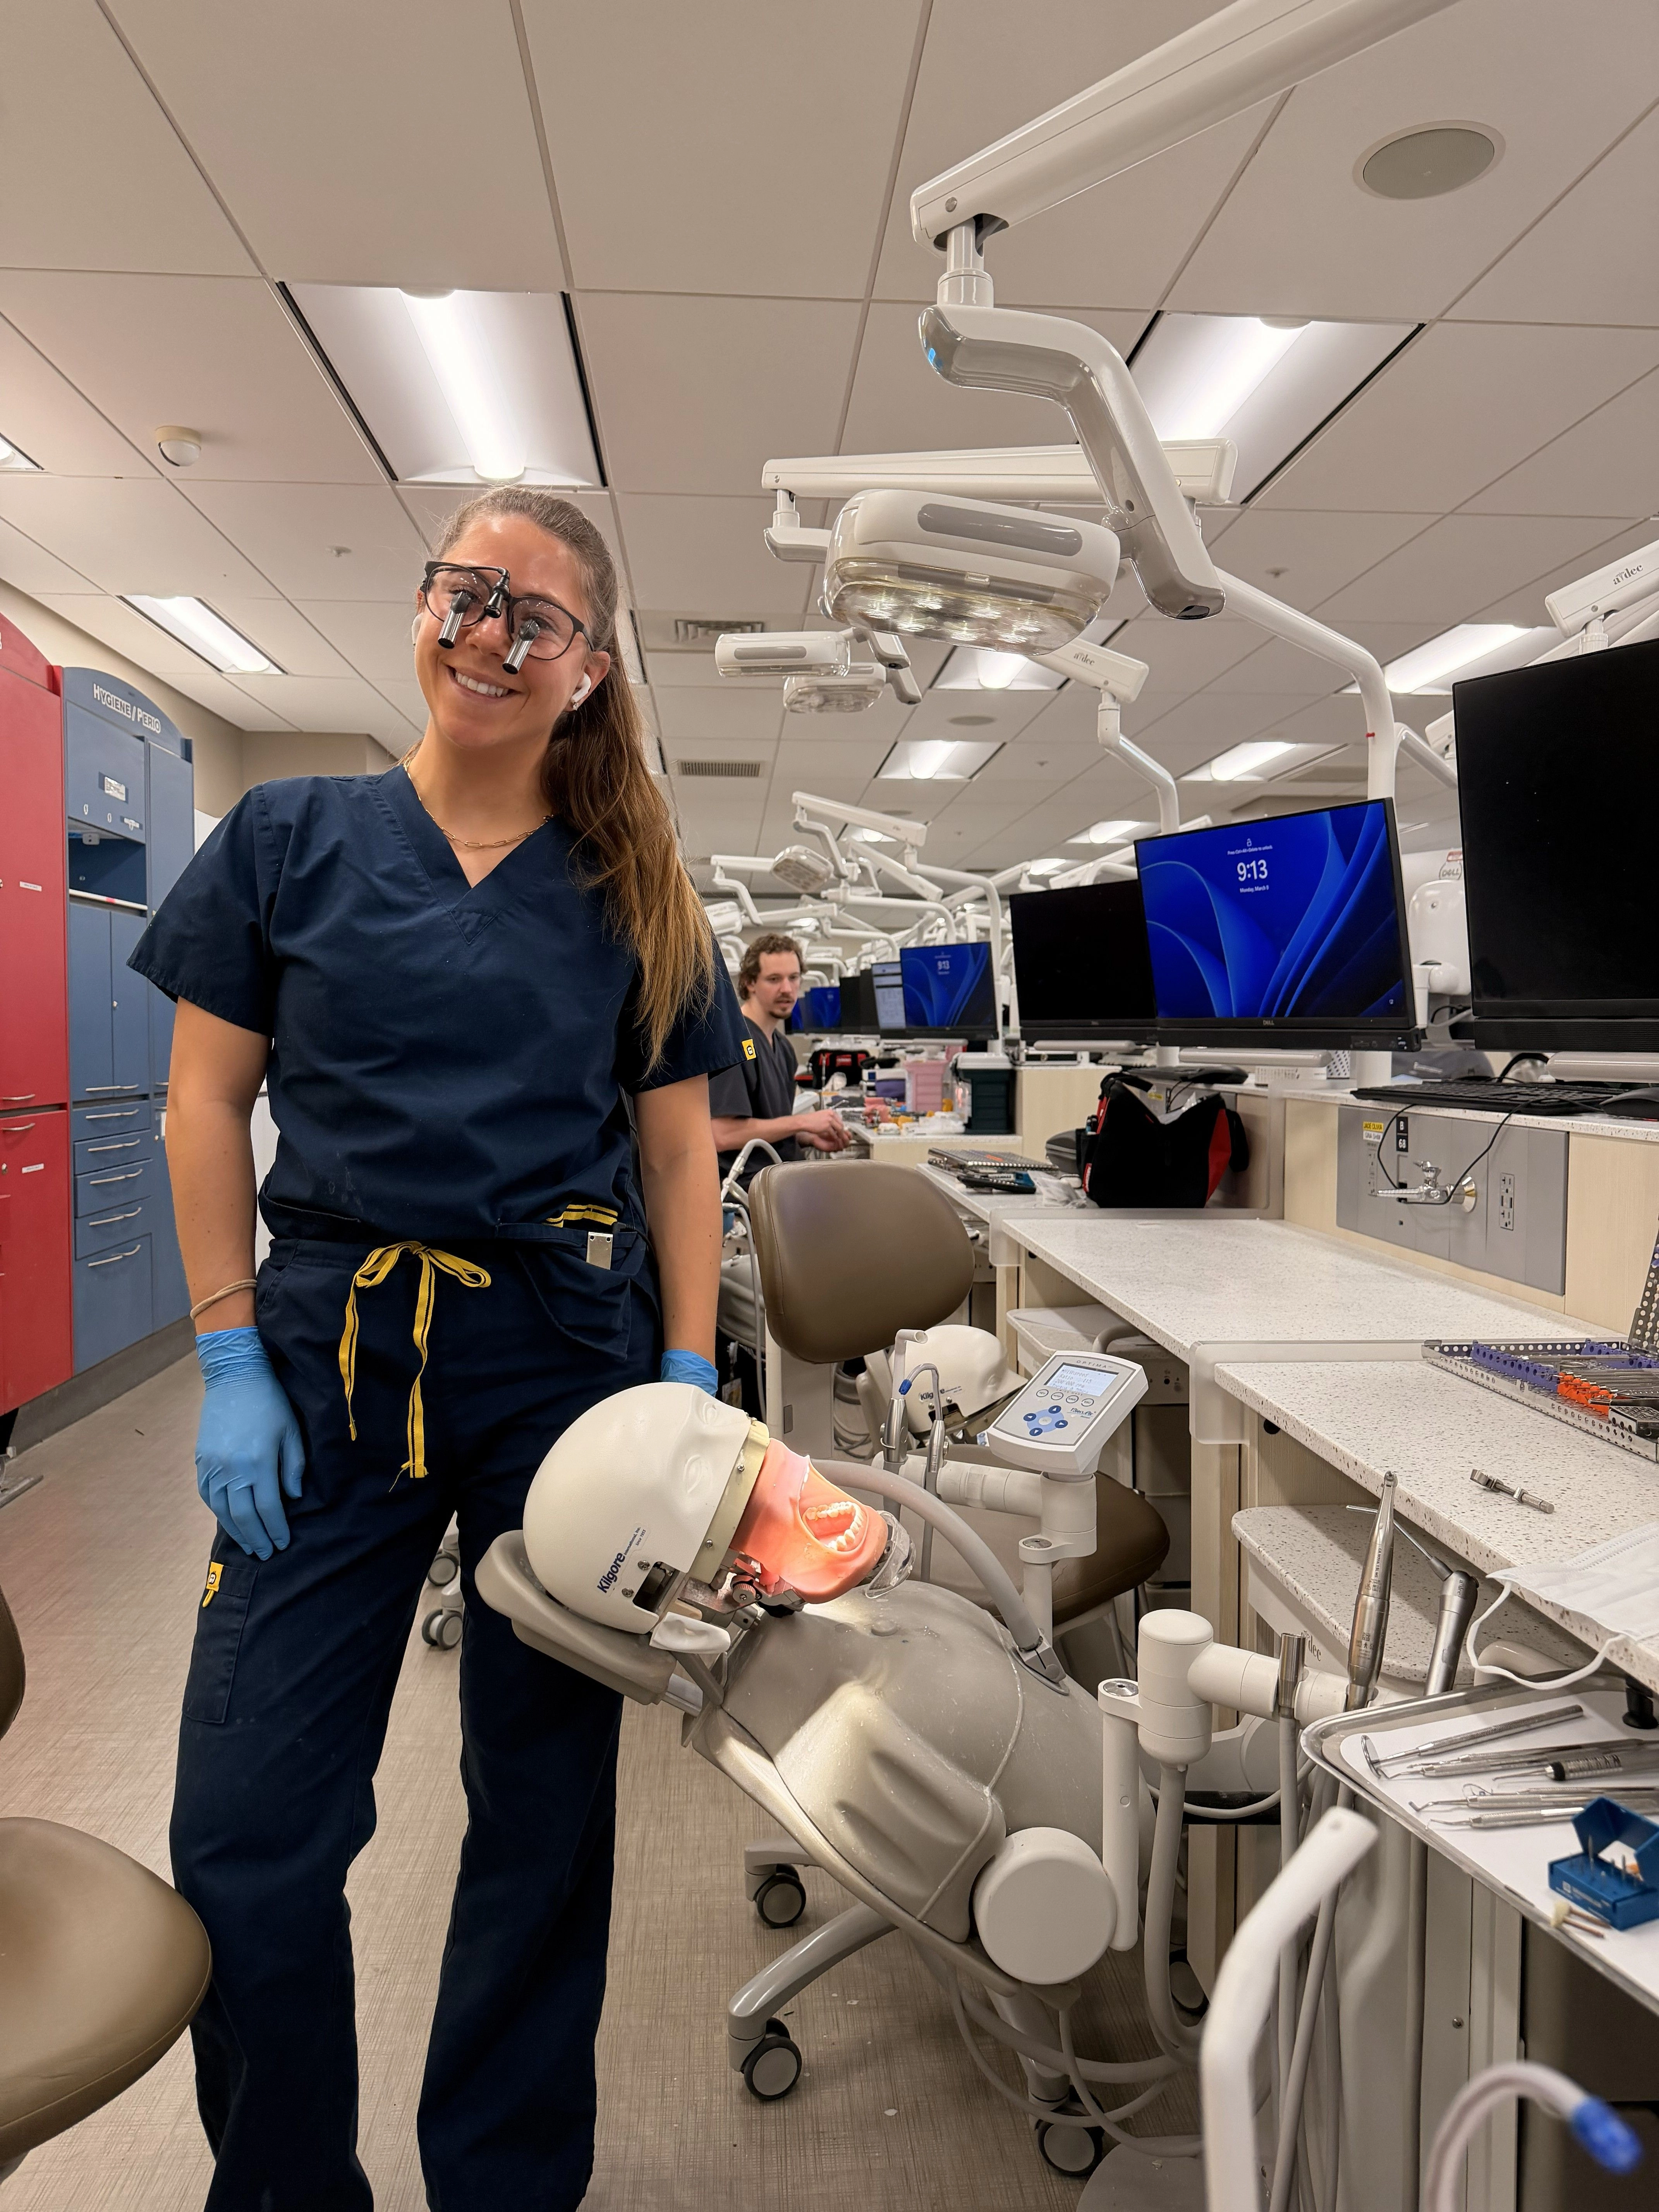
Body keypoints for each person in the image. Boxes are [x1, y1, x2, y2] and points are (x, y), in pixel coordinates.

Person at [129, 486, 744, 2212]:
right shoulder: (286, 834)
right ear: (425, 607)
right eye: (464, 591)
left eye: (531, 614)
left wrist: (689, 1381)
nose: (486, 632)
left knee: (540, 1819)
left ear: (591, 673)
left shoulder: (632, 880)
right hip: (326, 1363)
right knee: (245, 1828)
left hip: (565, 1368)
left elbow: (679, 1143)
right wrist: (226, 1350)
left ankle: (501, 2185)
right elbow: (202, 1100)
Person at [707, 933, 851, 1186]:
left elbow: (769, 1125)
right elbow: (722, 1134)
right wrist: (801, 1121)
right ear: (751, 983)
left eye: (793, 978)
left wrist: (807, 1136)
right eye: (774, 980)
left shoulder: (783, 1048)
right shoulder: (735, 1043)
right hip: (749, 1186)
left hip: (781, 1175)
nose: (787, 989)